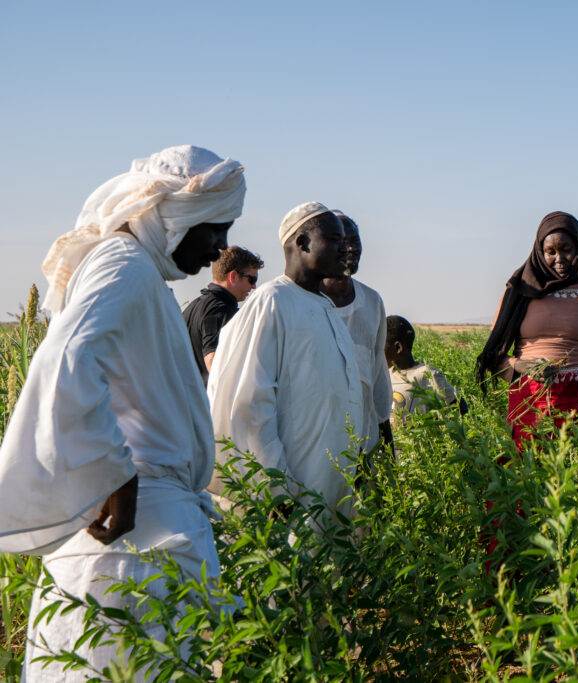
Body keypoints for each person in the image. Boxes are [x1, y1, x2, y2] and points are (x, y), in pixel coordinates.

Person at [0, 145, 246, 680]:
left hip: (143, 528)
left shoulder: (133, 269)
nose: (218, 251)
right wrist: (114, 475)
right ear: (175, 217)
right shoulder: (124, 265)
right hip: (131, 534)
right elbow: (69, 358)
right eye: (214, 231)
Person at [207, 202, 364, 517]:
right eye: (334, 239)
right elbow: (247, 404)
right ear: (303, 243)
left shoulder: (324, 308)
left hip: (332, 491)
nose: (345, 248)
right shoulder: (271, 303)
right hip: (289, 502)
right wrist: (274, 489)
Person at [475, 211, 578, 450]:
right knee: (529, 478)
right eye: (550, 252)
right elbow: (493, 360)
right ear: (540, 252)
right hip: (530, 407)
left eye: (566, 249)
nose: (559, 258)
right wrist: (524, 368)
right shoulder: (520, 292)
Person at [320, 211, 393, 454]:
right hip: (319, 446)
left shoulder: (371, 301)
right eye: (342, 241)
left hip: (365, 441)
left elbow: (378, 371)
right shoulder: (303, 301)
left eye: (355, 240)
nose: (351, 248)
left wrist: (386, 439)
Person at [182, 245, 264, 384]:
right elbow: (214, 365)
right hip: (207, 402)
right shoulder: (222, 309)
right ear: (233, 276)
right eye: (252, 279)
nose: (254, 286)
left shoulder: (193, 306)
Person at [385, 314, 466, 421]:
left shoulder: (427, 373)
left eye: (381, 345)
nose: (376, 351)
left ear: (398, 348)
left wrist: (438, 422)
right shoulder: (387, 373)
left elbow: (459, 406)